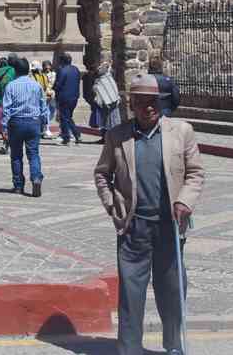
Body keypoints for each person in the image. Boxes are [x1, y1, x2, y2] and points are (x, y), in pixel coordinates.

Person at [94, 72, 204, 355]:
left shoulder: (181, 131)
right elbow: (102, 174)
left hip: (170, 225)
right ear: (131, 104)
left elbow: (195, 173)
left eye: (153, 101)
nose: (148, 107)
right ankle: (130, 349)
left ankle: (174, 345)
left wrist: (184, 201)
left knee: (172, 289)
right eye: (141, 101)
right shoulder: (117, 136)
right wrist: (112, 205)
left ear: (161, 102)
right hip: (134, 227)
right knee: (131, 293)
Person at [1, 56, 48, 196]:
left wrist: (4, 127)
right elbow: (43, 105)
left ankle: (18, 185)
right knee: (33, 154)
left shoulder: (11, 86)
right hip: (33, 122)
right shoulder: (36, 85)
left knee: (16, 155)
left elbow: (6, 108)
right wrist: (44, 122)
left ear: (15, 71)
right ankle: (36, 178)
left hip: (16, 123)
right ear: (28, 70)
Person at [54, 51, 82, 145]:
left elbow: (58, 84)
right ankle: (76, 135)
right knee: (68, 117)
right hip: (74, 97)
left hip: (64, 97)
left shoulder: (62, 70)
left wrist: (54, 89)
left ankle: (67, 137)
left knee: (64, 117)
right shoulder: (76, 69)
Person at [93, 58, 122, 143]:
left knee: (113, 120)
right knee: (104, 121)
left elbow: (111, 89)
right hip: (104, 103)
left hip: (112, 102)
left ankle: (114, 138)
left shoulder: (108, 77)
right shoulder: (100, 79)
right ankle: (105, 138)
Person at [149, 52, 181, 118]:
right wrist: (170, 109)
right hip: (165, 112)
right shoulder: (168, 81)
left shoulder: (145, 79)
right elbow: (176, 99)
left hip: (148, 113)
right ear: (161, 65)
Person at [30, 60, 53, 139]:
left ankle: (41, 131)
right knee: (43, 114)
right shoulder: (43, 76)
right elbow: (46, 86)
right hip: (42, 98)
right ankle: (42, 130)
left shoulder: (32, 76)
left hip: (37, 99)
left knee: (38, 115)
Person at [82, 57, 101, 130]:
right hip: (93, 94)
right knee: (96, 109)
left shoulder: (86, 75)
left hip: (88, 94)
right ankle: (95, 123)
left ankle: (94, 123)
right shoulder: (94, 76)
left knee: (94, 109)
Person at [42, 59, 56, 133]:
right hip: (45, 95)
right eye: (46, 67)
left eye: (48, 67)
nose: (47, 69)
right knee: (47, 111)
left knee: (52, 111)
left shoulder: (54, 74)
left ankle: (45, 125)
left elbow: (55, 83)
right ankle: (46, 128)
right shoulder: (42, 75)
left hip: (53, 94)